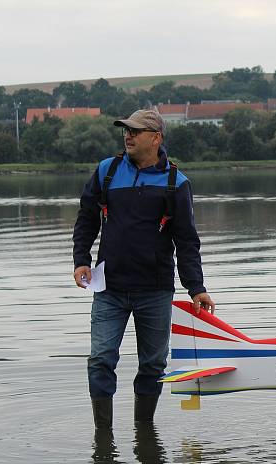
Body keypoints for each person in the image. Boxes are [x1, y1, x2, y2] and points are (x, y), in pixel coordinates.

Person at [72, 109, 214, 430]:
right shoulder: (106, 172)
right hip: (108, 288)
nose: (128, 136)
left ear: (156, 138)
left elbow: (187, 240)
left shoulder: (176, 183)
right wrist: (81, 258)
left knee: (153, 364)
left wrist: (196, 287)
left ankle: (144, 433)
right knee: (100, 360)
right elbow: (86, 217)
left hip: (155, 290)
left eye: (135, 131)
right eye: (126, 130)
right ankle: (103, 433)